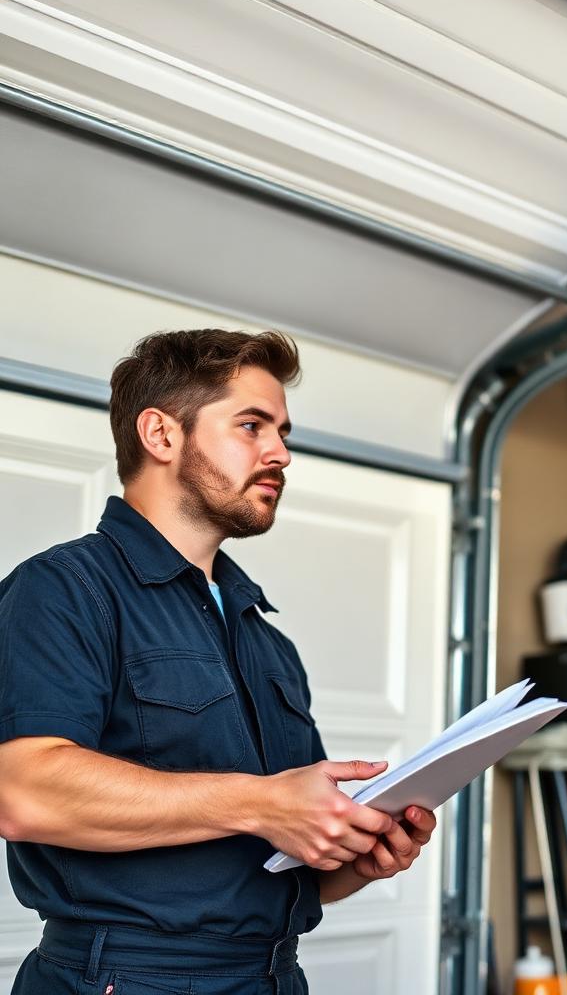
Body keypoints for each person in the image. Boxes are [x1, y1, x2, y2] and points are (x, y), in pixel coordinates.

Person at [0, 329, 436, 995]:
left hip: (273, 977)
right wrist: (259, 802)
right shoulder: (64, 589)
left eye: (283, 432)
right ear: (161, 435)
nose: (281, 454)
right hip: (127, 979)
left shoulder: (265, 639)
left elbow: (288, 863)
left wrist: (358, 853)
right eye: (252, 426)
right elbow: (23, 792)